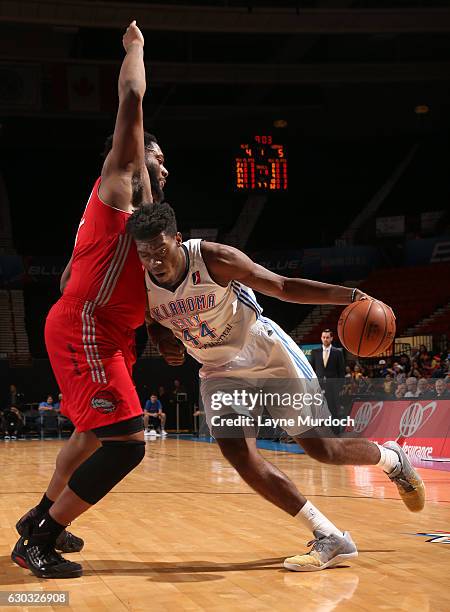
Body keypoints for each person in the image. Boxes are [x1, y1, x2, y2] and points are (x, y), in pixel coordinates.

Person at [127, 202, 425, 572]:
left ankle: (391, 458)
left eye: (160, 250)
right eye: (145, 254)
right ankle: (329, 535)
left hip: (265, 353)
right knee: (239, 455)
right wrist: (160, 338)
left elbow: (282, 286)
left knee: (323, 450)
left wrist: (351, 296)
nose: (155, 261)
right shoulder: (137, 282)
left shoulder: (215, 258)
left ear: (178, 239)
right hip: (218, 370)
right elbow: (152, 319)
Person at [12, 21, 163, 580]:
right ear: (135, 155)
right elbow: (131, 97)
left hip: (108, 332)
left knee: (86, 435)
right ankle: (41, 540)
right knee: (127, 444)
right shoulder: (120, 180)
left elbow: (76, 277)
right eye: (158, 156)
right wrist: (135, 48)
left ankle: (37, 519)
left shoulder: (141, 216)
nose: (164, 167)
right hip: (89, 328)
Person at [310, 330, 345, 420]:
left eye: (327, 337)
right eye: (324, 337)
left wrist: (341, 386)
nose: (325, 339)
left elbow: (341, 371)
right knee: (318, 407)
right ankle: (321, 429)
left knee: (333, 407)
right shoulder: (315, 352)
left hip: (333, 385)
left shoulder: (338, 352)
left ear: (331, 338)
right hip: (319, 385)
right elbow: (311, 369)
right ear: (321, 338)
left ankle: (335, 430)